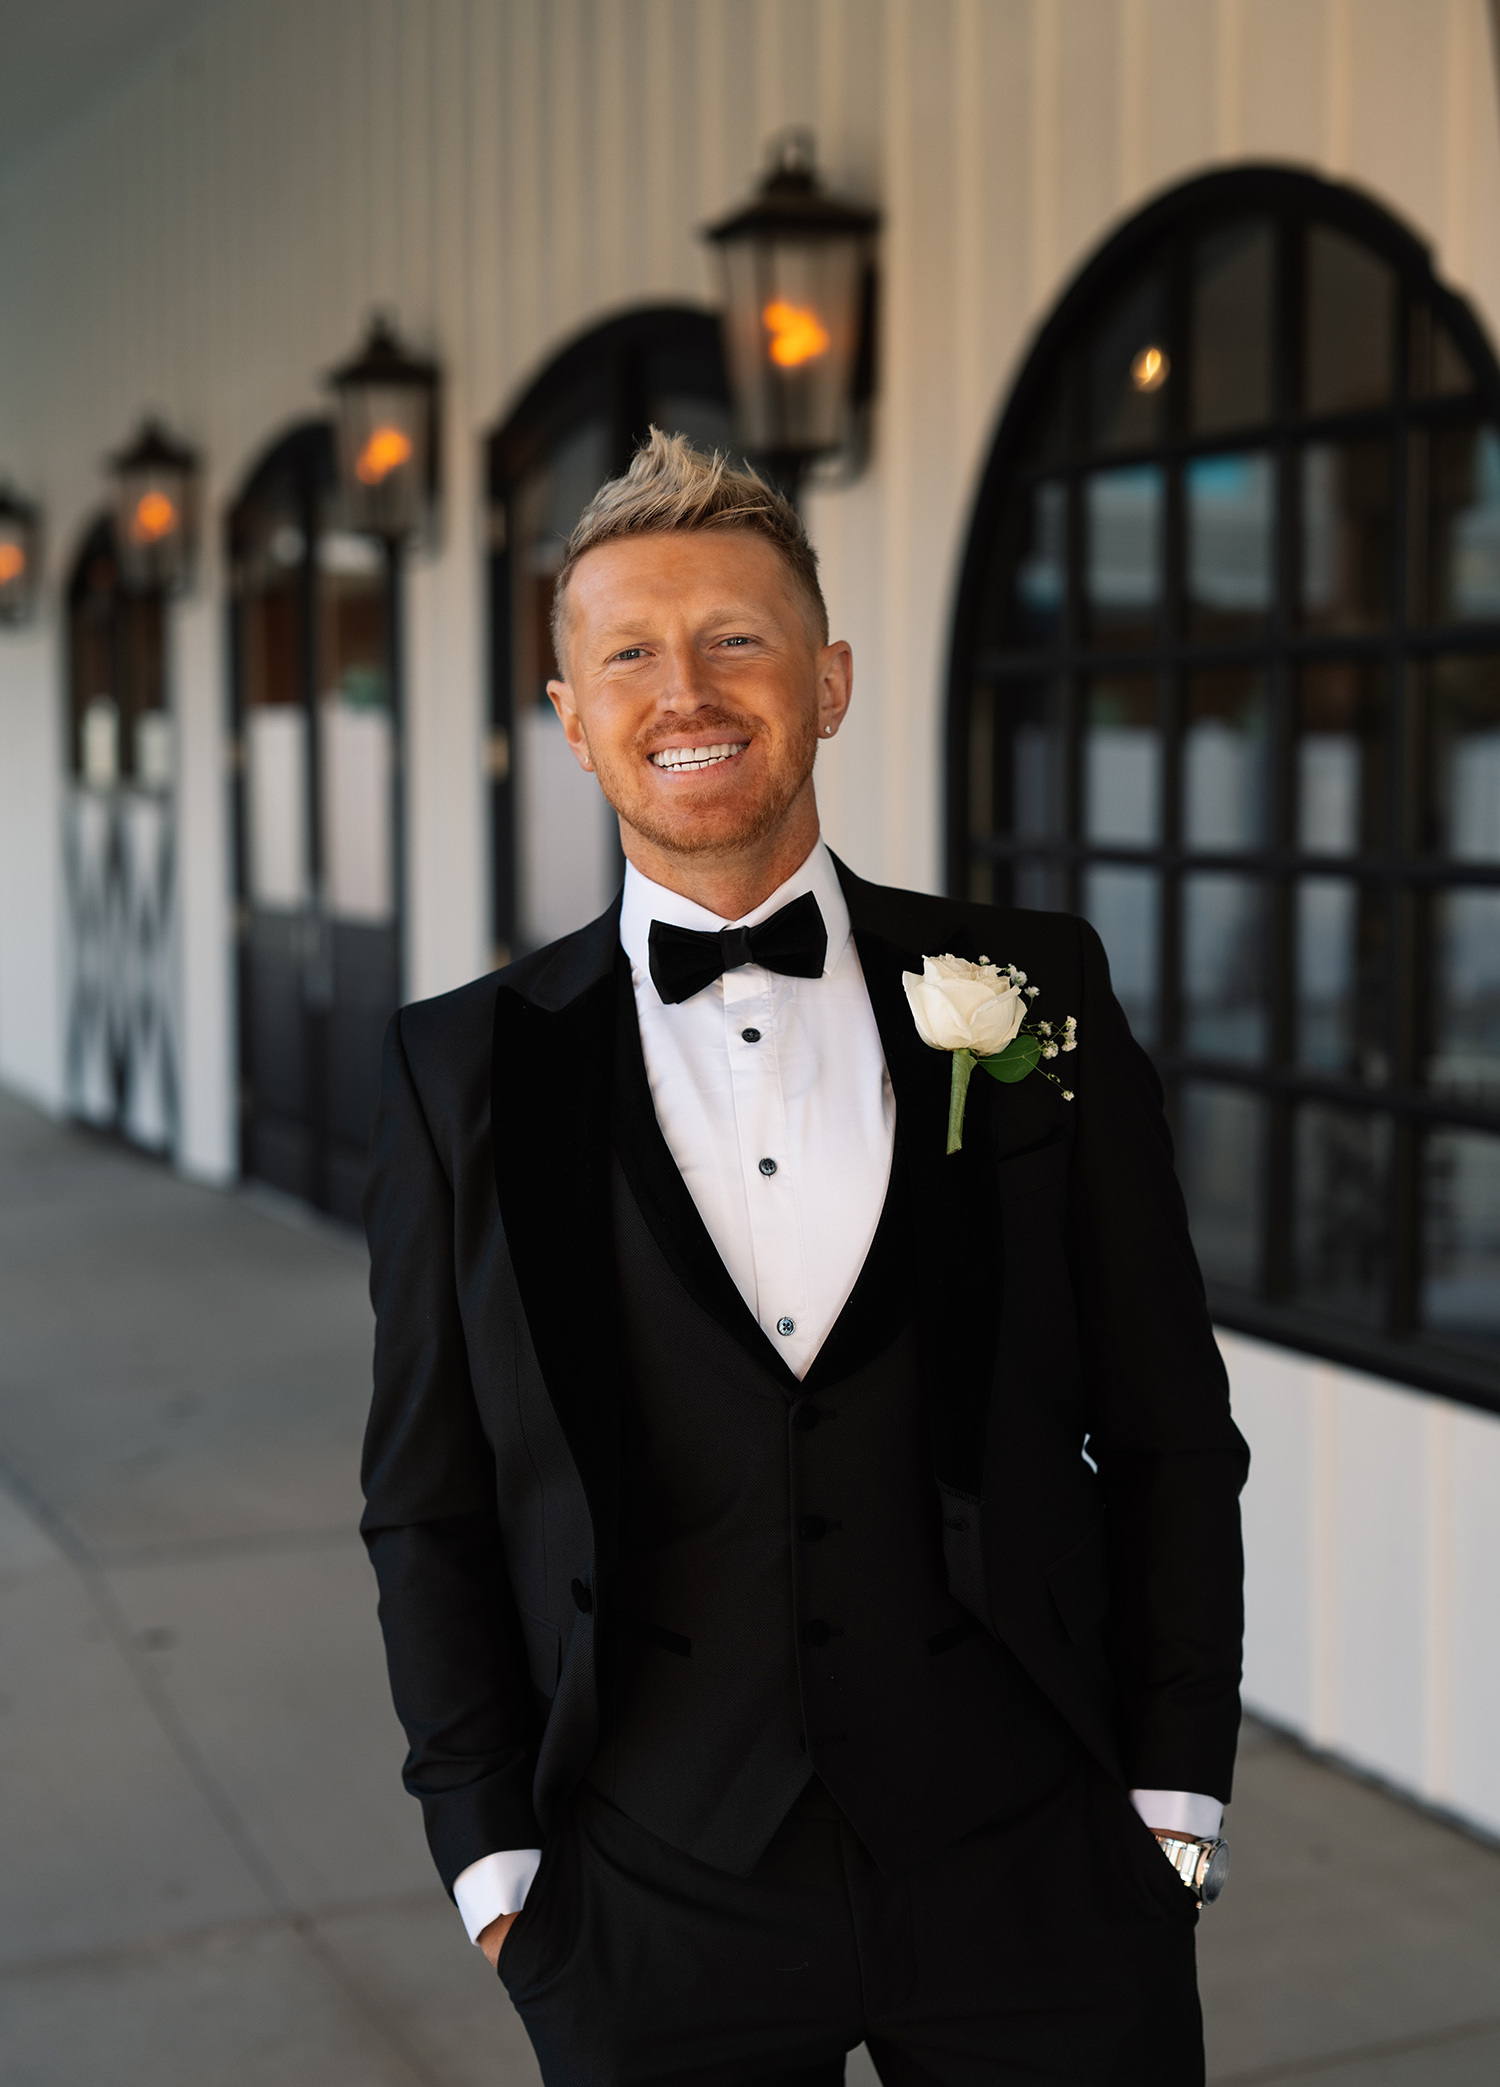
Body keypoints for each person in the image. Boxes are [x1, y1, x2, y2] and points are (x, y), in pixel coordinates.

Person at [361, 430, 1248, 2087]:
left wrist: (1175, 1806)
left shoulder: (1035, 992)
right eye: (626, 651)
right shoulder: (458, 1070)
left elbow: (1170, 1430)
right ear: (569, 716)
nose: (682, 687)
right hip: (647, 1893)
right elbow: (430, 1498)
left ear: (827, 681)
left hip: (1040, 1867)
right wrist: (497, 1870)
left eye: (736, 638)